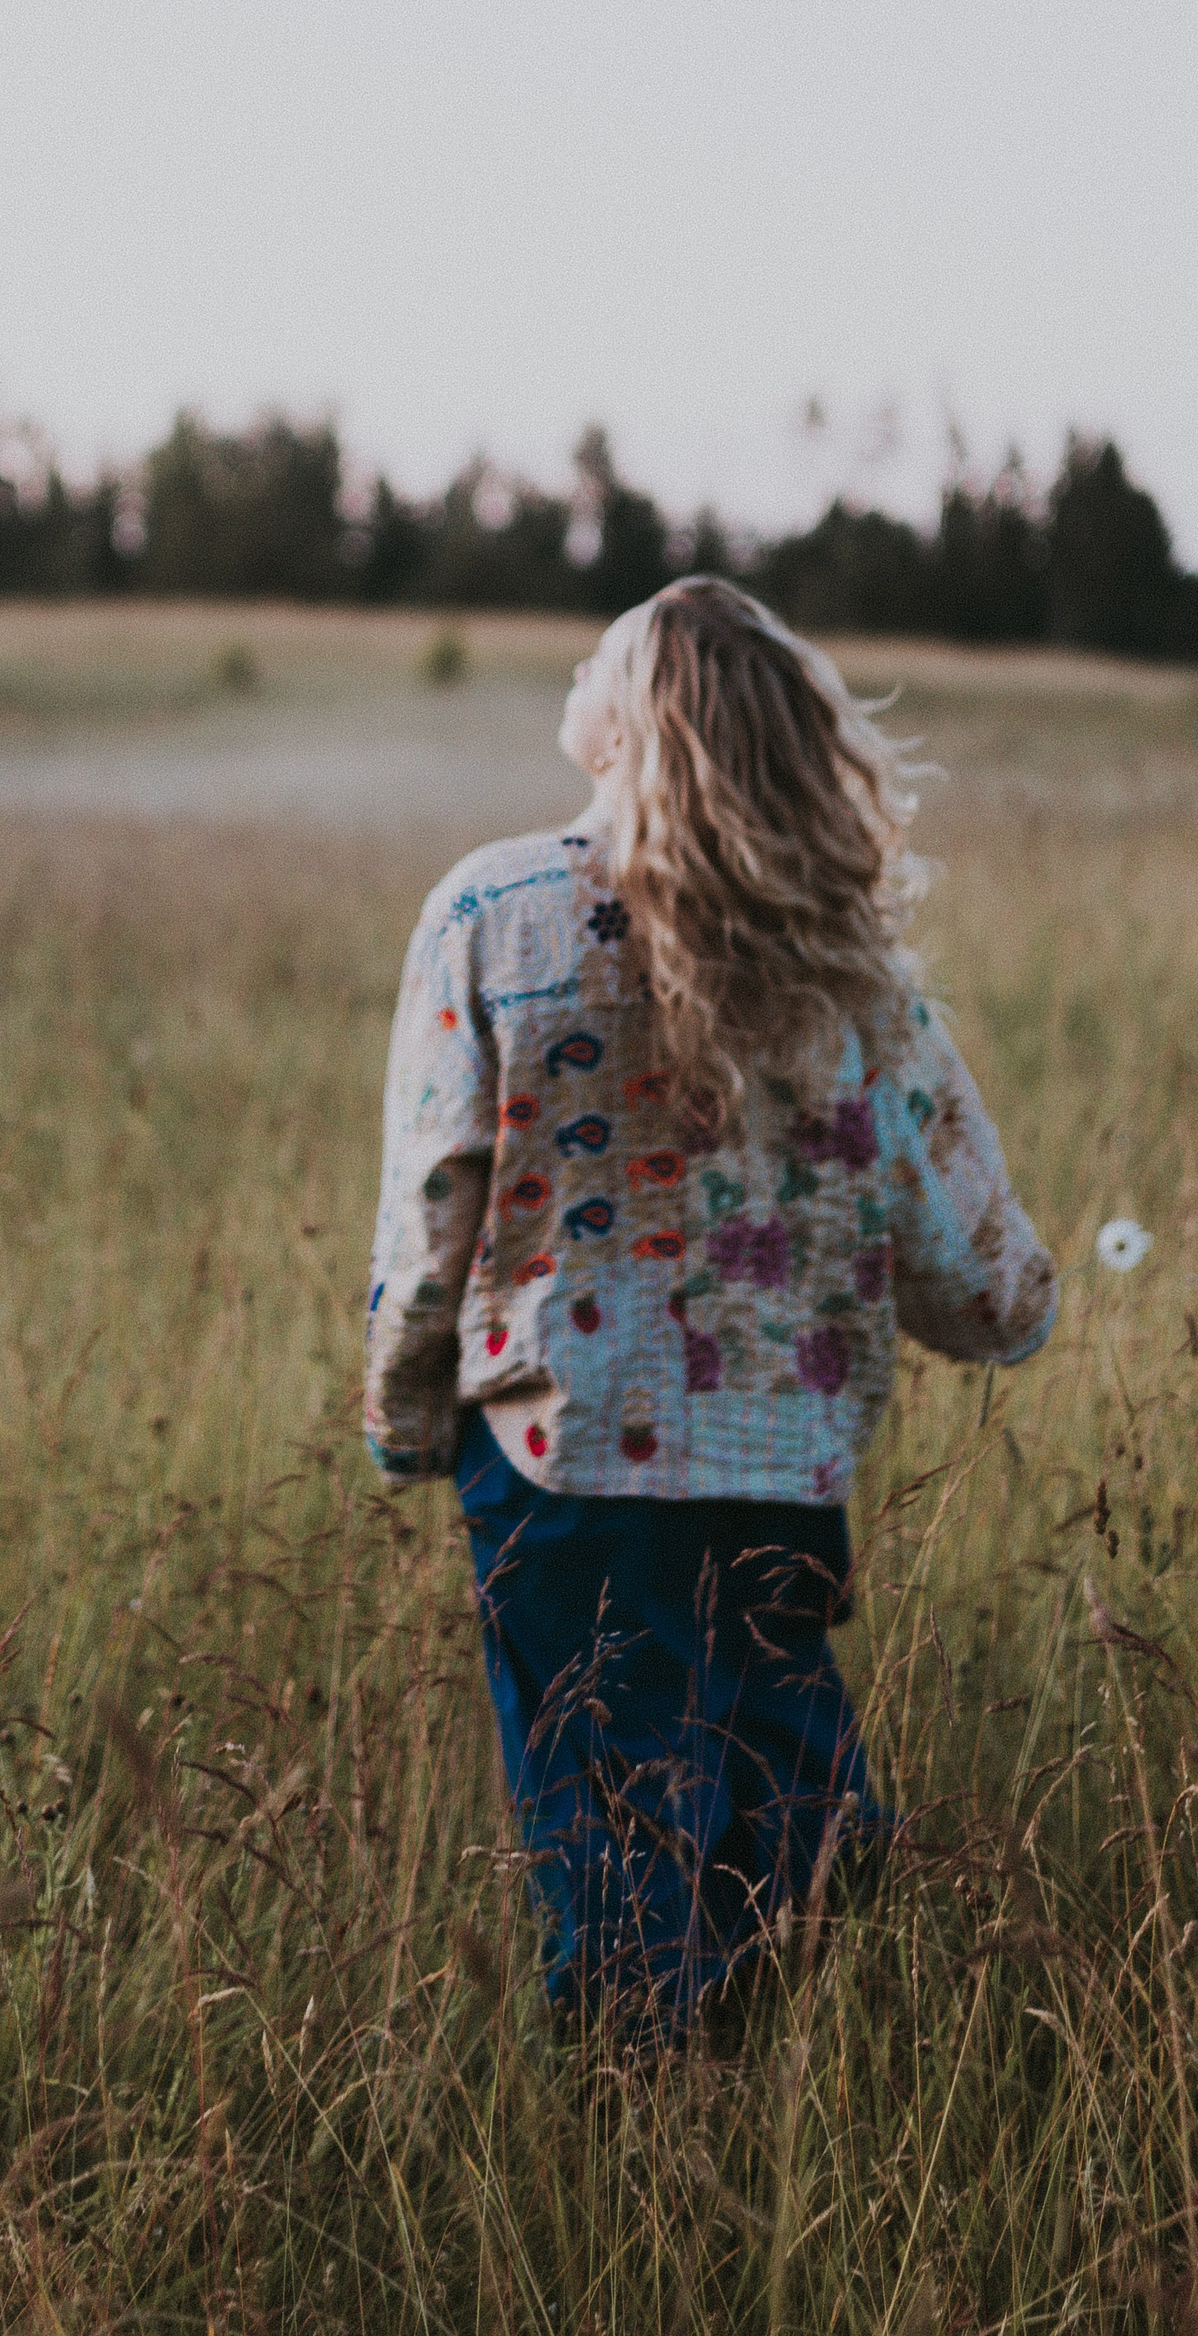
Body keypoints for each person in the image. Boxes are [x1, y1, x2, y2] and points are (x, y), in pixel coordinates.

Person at [364, 576, 1055, 2030]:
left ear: (635, 723)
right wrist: (1011, 1311)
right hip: (777, 1465)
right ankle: (770, 2049)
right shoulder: (840, 963)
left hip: (559, 1463)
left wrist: (405, 1416)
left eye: (601, 655)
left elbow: (438, 1199)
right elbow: (971, 1253)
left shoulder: (491, 911)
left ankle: (648, 2121)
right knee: (770, 1802)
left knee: (617, 1826)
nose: (575, 663)